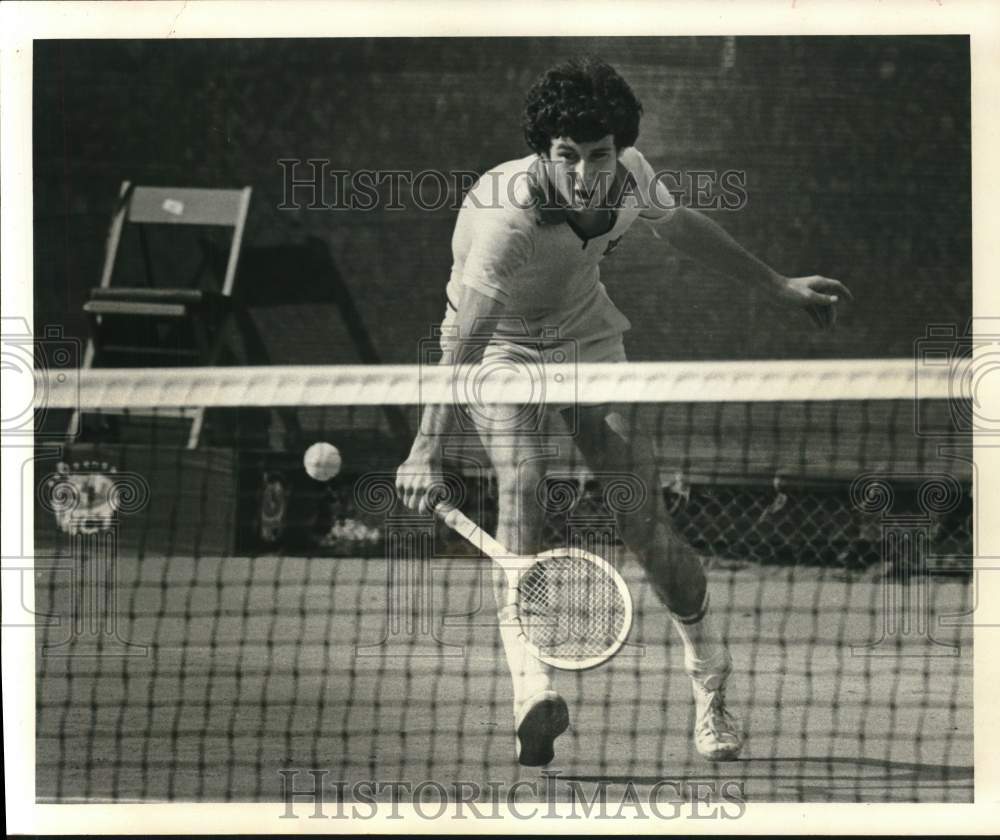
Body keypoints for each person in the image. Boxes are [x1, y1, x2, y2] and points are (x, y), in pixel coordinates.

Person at [396, 57, 852, 767]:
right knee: (522, 481)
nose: (584, 174)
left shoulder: (631, 174)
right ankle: (533, 693)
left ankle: (711, 690)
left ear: (619, 150)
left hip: (586, 338)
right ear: (543, 152)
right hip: (501, 349)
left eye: (598, 156)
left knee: (643, 520)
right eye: (567, 157)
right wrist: (426, 450)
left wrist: (779, 284)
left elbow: (682, 228)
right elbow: (465, 339)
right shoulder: (505, 217)